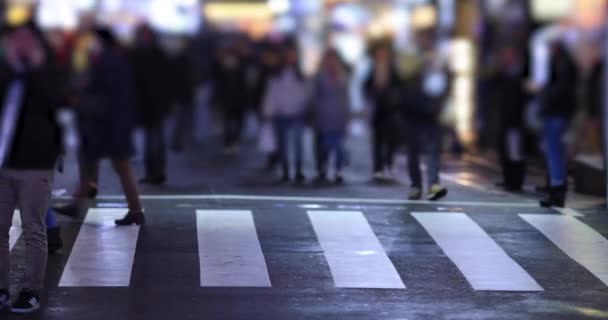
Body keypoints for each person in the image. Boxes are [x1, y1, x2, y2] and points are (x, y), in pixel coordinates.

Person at [0, 22, 65, 313]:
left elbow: (55, 102)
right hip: (3, 161)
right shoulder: (5, 71)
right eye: (16, 39)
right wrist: (11, 66)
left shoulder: (50, 71)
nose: (21, 44)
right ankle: (1, 288)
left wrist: (35, 69)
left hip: (35, 163)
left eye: (27, 39)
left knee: (33, 228)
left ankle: (31, 288)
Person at [54, 28, 145, 225]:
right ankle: (77, 204)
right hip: (110, 123)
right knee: (91, 165)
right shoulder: (113, 59)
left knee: (119, 166)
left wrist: (81, 102)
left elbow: (107, 95)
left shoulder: (108, 61)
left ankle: (136, 210)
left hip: (107, 124)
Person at [403, 30, 450, 201]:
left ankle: (433, 184)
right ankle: (415, 185)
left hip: (432, 110)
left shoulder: (438, 57)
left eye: (427, 38)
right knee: (413, 150)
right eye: (422, 37)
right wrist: (420, 64)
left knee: (433, 148)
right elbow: (404, 75)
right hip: (413, 110)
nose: (425, 41)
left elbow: (445, 79)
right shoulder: (409, 56)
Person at [262, 41, 311, 183]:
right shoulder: (276, 74)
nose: (291, 57)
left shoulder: (300, 75)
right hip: (281, 114)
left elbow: (305, 94)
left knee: (298, 144)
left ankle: (298, 170)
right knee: (282, 144)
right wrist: (268, 110)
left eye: (293, 54)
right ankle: (285, 170)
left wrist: (305, 107)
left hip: (297, 114)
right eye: (289, 54)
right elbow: (271, 93)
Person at [538, 40, 579, 207]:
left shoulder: (562, 62)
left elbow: (560, 88)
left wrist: (545, 99)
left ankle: (557, 190)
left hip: (556, 112)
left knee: (553, 151)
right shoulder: (565, 61)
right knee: (553, 151)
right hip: (559, 111)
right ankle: (556, 188)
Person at [129, 25, 171, 185]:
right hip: (157, 103)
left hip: (146, 103)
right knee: (155, 138)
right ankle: (157, 172)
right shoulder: (159, 54)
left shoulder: (135, 54)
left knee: (151, 138)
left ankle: (153, 173)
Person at [364, 42, 403, 180]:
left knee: (391, 139)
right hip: (378, 110)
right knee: (377, 140)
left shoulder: (393, 69)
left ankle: (389, 163)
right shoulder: (372, 69)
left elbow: (400, 85)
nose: (381, 56)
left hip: (391, 110)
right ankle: (378, 167)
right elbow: (365, 86)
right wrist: (372, 94)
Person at [313, 49, 351, 184]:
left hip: (339, 117)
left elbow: (346, 98)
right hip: (324, 117)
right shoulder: (320, 76)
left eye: (334, 59)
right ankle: (324, 168)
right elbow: (314, 96)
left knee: (339, 146)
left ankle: (337, 170)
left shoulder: (343, 76)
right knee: (325, 146)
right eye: (330, 59)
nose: (332, 62)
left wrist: (347, 115)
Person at [494, 45, 528, 191]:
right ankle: (508, 179)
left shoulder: (519, 74)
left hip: (515, 120)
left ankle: (515, 182)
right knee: (506, 150)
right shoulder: (505, 74)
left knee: (514, 152)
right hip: (506, 119)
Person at [212, 39, 249, 155]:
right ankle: (232, 142)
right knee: (235, 121)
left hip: (232, 98)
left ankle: (230, 142)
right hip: (234, 98)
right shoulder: (240, 62)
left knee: (231, 121)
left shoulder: (225, 63)